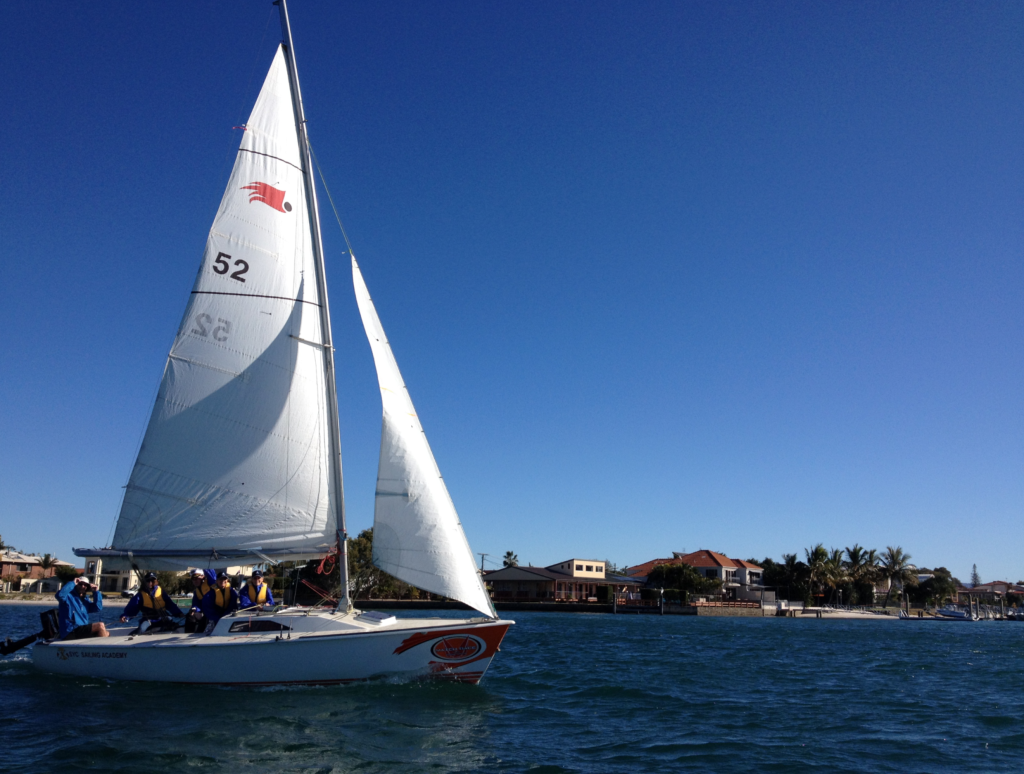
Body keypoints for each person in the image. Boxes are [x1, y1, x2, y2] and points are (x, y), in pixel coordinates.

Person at [120, 572, 184, 633]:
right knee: (142, 629)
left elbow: (170, 604)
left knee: (170, 623)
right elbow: (133, 607)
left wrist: (179, 613)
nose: (150, 583)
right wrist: (125, 616)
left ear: (155, 582)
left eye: (152, 581)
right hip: (148, 619)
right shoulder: (140, 595)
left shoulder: (161, 592)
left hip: (162, 618)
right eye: (148, 581)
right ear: (145, 582)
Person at [185, 569, 216, 633]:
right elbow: (196, 604)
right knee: (190, 615)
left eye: (197, 578)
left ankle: (200, 634)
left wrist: (205, 565)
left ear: (203, 577)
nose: (195, 580)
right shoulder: (196, 592)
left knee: (205, 620)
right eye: (193, 579)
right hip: (205, 613)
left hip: (215, 611)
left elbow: (212, 575)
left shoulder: (210, 583)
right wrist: (195, 610)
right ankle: (188, 634)